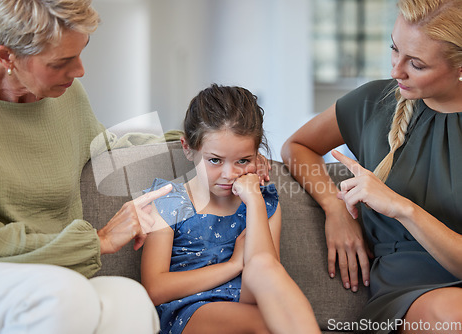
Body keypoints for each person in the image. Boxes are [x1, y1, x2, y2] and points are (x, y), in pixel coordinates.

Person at [0, 0, 174, 333]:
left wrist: (202, 143)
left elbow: (109, 146)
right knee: (66, 295)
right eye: (61, 62)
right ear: (6, 56)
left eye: (80, 52)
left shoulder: (66, 95)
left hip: (55, 274)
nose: (79, 71)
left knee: (130, 300)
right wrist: (98, 240)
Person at [281, 0, 462, 333]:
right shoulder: (371, 103)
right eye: (394, 49)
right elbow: (297, 146)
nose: (396, 71)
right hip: (410, 291)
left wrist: (402, 208)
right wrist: (334, 207)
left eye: (417, 64)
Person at [140, 84, 319, 334]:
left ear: (257, 156)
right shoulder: (169, 201)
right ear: (187, 148)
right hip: (190, 310)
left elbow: (267, 278)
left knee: (267, 278)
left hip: (247, 300)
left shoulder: (263, 202)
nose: (229, 174)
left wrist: (254, 200)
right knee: (268, 323)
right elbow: (154, 289)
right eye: (215, 160)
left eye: (242, 161)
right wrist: (234, 264)